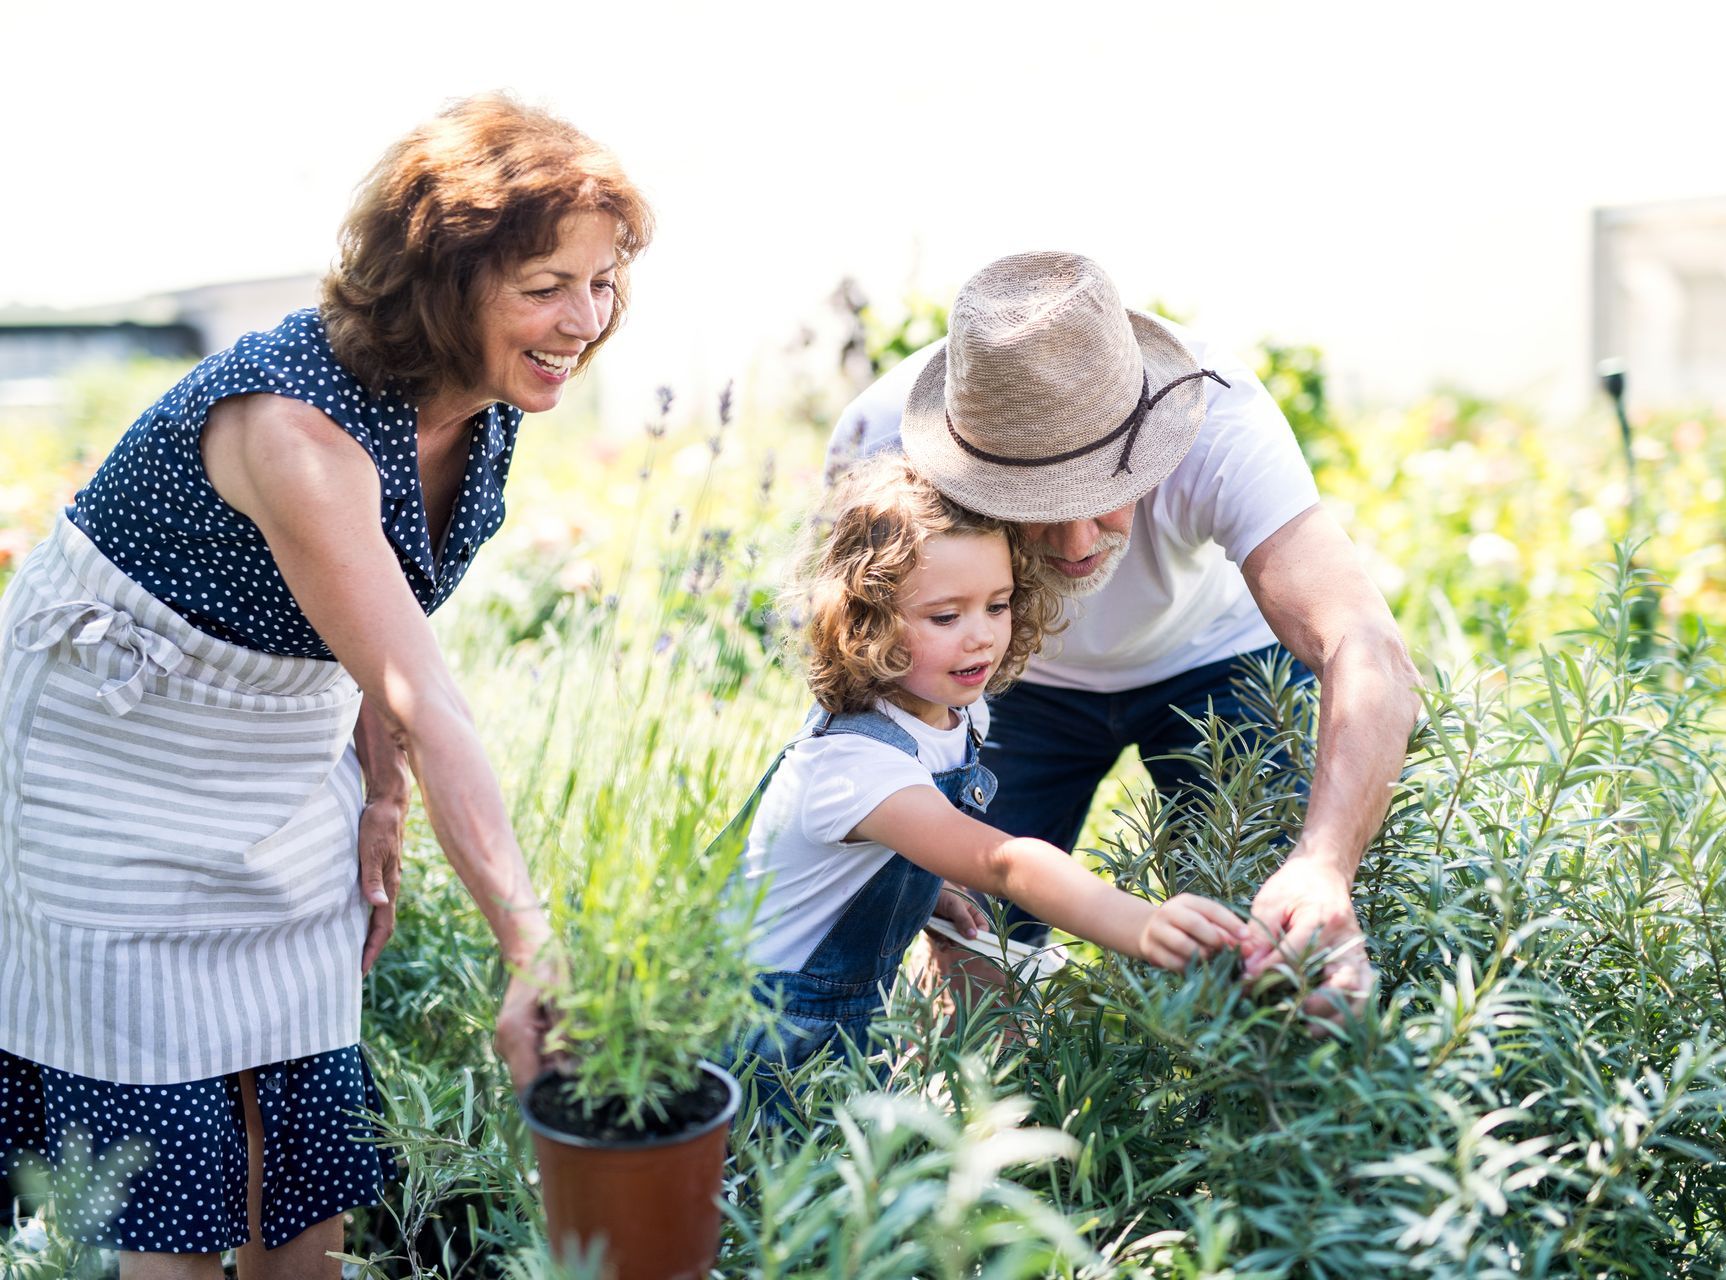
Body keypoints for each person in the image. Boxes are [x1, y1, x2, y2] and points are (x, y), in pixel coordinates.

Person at [0, 95, 646, 1276]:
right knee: (182, 1183)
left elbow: (377, 636)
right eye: (548, 283)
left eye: (603, 283)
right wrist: (530, 944)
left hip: (282, 734)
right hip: (118, 744)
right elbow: (423, 689)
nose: (584, 320)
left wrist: (381, 798)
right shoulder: (293, 429)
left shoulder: (486, 402)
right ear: (444, 281)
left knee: (298, 1165)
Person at [828, 251, 1421, 1017]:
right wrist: (918, 818)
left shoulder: (1218, 418)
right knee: (977, 950)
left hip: (1218, 663)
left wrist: (1323, 864)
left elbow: (1365, 645)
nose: (1077, 542)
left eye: (1110, 490)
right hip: (1005, 682)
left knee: (1274, 947)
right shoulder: (886, 445)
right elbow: (859, 653)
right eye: (1036, 502)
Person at [732, 454, 1246, 1079]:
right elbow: (1002, 861)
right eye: (946, 616)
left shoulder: (959, 714)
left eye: (997, 606)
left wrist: (916, 894)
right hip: (769, 1030)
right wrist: (1144, 926)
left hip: (843, 1014)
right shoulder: (855, 765)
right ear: (868, 620)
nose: (980, 637)